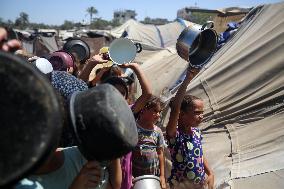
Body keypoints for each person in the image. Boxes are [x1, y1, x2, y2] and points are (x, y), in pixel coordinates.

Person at [166, 68, 214, 189]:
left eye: (202, 112)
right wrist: (187, 79)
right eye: (197, 113)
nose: (201, 116)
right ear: (182, 114)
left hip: (199, 185)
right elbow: (176, 106)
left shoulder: (196, 133)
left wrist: (210, 173)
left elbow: (199, 154)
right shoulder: (175, 134)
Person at [132, 96, 167, 189]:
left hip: (153, 176)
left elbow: (160, 153)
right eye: (155, 111)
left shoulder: (157, 131)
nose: (158, 115)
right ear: (143, 109)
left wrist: (162, 176)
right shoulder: (133, 128)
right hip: (135, 176)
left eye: (160, 112)